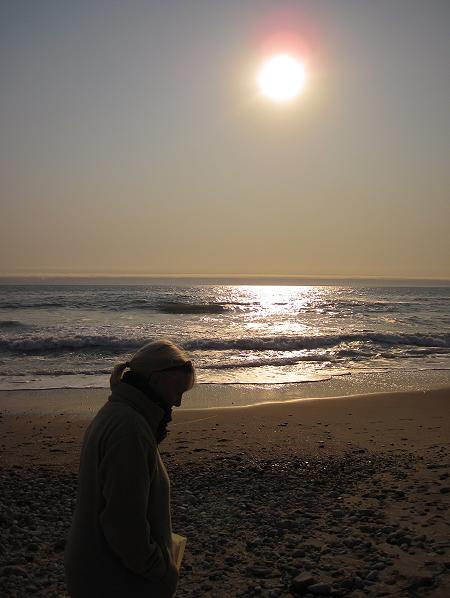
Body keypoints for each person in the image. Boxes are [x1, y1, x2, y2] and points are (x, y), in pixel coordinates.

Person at [64, 339, 195, 598]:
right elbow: (123, 524)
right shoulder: (129, 430)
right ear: (158, 380)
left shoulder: (119, 414)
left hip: (100, 572)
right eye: (178, 391)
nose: (178, 403)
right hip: (114, 581)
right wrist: (159, 569)